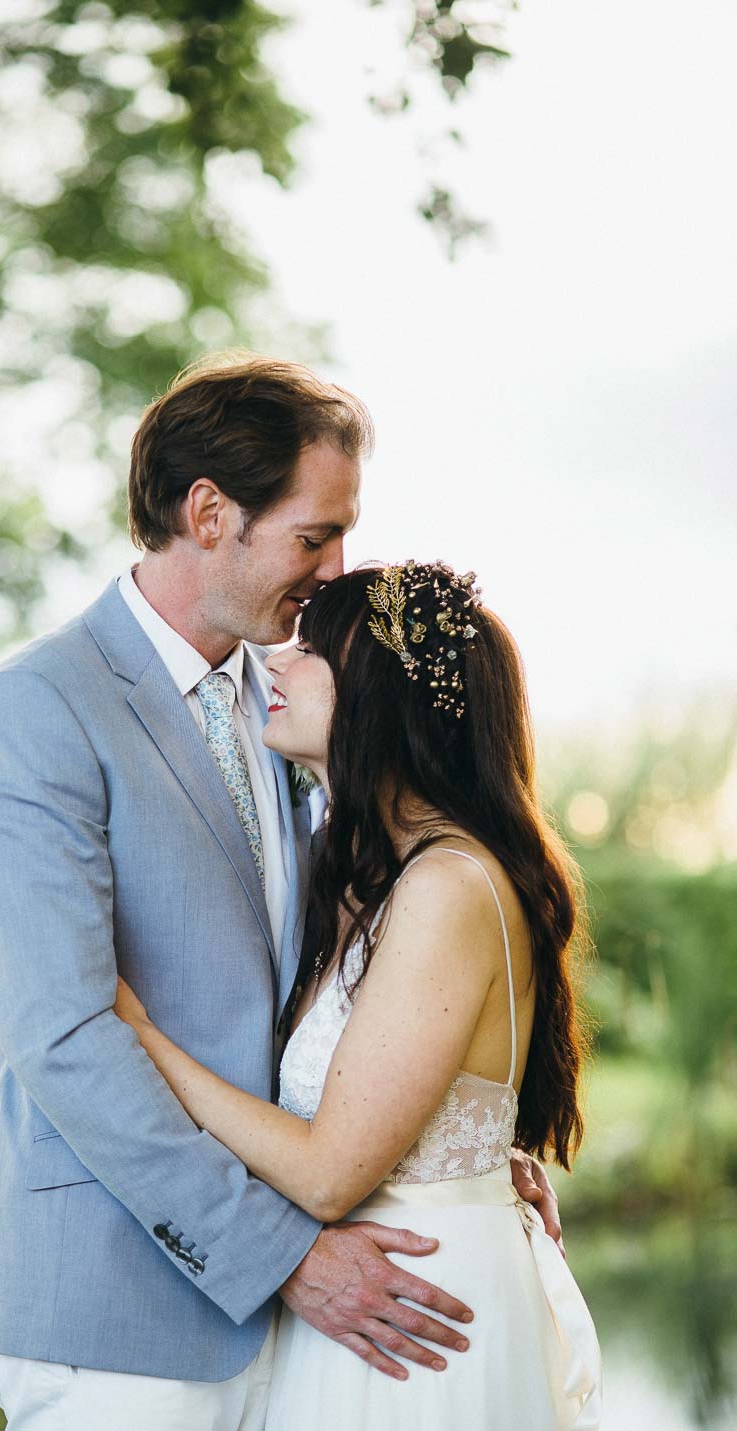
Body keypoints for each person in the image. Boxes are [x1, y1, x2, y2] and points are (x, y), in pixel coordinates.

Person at [0, 353, 561, 1430]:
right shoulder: (40, 710)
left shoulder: (301, 713)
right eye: (315, 535)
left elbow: (361, 983)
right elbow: (65, 1037)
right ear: (208, 512)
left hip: (323, 1321)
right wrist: (281, 1256)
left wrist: (451, 1148)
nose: (335, 571)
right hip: (128, 1314)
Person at [111, 560, 600, 1427]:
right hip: (377, 1298)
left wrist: (140, 1037)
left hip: (416, 1317)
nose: (277, 665)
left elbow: (331, 1174)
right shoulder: (368, 873)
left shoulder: (449, 885)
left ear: (376, 694)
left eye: (310, 652)